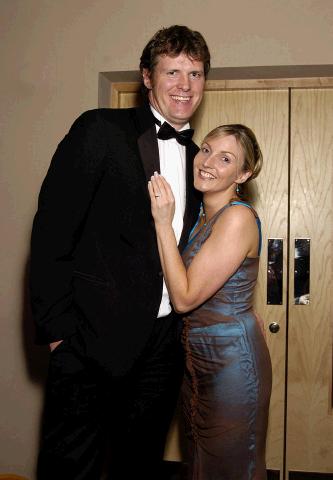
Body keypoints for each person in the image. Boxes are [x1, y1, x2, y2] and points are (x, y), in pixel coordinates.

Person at [29, 25, 210, 480]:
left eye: (195, 73)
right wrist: (60, 337)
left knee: (139, 467)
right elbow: (52, 233)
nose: (184, 85)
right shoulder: (99, 130)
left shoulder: (200, 162)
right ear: (147, 77)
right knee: (71, 468)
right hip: (88, 342)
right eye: (172, 71)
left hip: (161, 350)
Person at [148, 124, 272, 479]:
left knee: (231, 467)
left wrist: (162, 223)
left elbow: (185, 298)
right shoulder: (203, 218)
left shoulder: (236, 217)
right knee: (204, 465)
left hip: (231, 365)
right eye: (205, 149)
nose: (208, 162)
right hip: (199, 359)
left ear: (243, 174)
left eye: (226, 158)